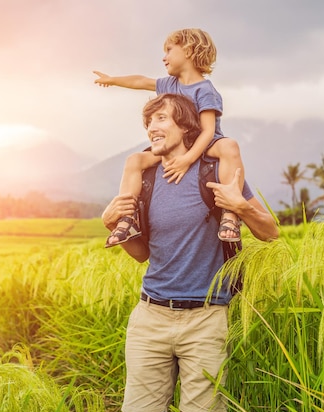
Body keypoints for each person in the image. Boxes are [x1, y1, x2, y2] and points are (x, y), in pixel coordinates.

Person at [102, 93, 279, 412]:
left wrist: (239, 206)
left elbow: (270, 232)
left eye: (160, 119)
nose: (151, 128)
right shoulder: (147, 179)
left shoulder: (215, 173)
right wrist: (110, 224)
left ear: (185, 126)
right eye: (148, 122)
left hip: (206, 318)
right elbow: (142, 254)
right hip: (150, 316)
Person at [95, 28, 245, 248]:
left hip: (205, 145)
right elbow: (141, 81)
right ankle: (127, 218)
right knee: (134, 161)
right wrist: (113, 80)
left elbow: (208, 131)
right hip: (175, 146)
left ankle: (231, 214)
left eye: (168, 50)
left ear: (189, 51)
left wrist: (188, 160)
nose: (163, 57)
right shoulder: (168, 84)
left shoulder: (204, 90)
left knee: (229, 147)